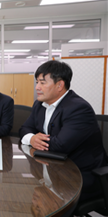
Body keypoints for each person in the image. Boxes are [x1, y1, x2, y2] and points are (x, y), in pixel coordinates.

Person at [19, 60, 108, 204]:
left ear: (59, 85)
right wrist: (32, 138)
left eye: (42, 83)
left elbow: (61, 146)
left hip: (79, 176)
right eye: (37, 82)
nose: (37, 87)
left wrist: (35, 139)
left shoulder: (78, 108)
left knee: (46, 204)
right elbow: (24, 128)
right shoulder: (40, 104)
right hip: (52, 169)